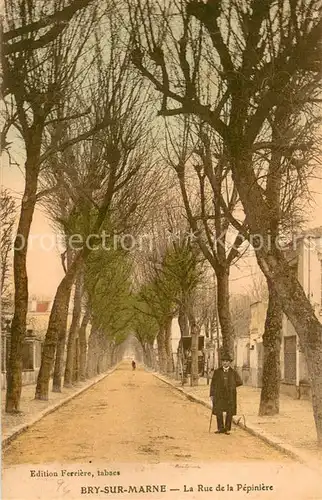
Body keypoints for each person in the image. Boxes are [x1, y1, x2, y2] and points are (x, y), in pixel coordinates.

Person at [210, 353, 243, 435]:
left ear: (229, 362)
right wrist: (211, 394)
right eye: (223, 361)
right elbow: (213, 384)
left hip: (230, 395)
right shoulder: (217, 372)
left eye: (227, 361)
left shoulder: (233, 372)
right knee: (219, 411)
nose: (225, 363)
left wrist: (232, 386)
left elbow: (240, 382)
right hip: (219, 395)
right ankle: (220, 428)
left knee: (229, 412)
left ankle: (227, 429)